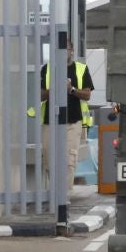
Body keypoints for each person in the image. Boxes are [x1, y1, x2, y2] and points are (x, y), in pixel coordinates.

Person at [38, 47, 95, 181]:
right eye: (60, 49)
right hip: (49, 122)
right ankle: (55, 194)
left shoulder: (81, 69)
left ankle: (64, 196)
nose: (64, 52)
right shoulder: (47, 69)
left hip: (73, 122)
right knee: (48, 159)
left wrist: (71, 89)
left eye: (67, 48)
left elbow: (87, 95)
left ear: (72, 50)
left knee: (69, 160)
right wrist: (55, 88)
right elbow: (40, 95)